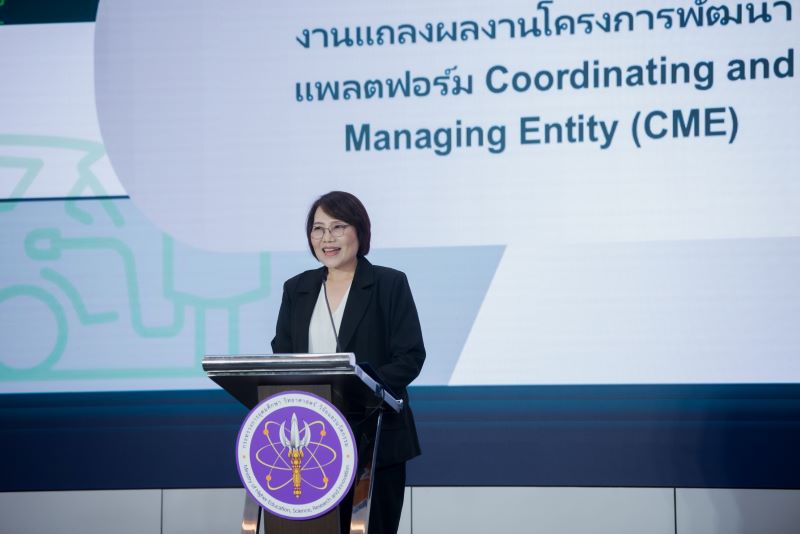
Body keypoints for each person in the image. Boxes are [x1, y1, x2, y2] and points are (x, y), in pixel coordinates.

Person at [271, 191, 426, 534]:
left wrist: (358, 390)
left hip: (374, 441)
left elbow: (410, 357)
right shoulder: (296, 289)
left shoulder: (389, 283)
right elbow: (283, 358)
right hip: (311, 441)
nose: (327, 238)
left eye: (338, 227)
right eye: (318, 229)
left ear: (360, 231)